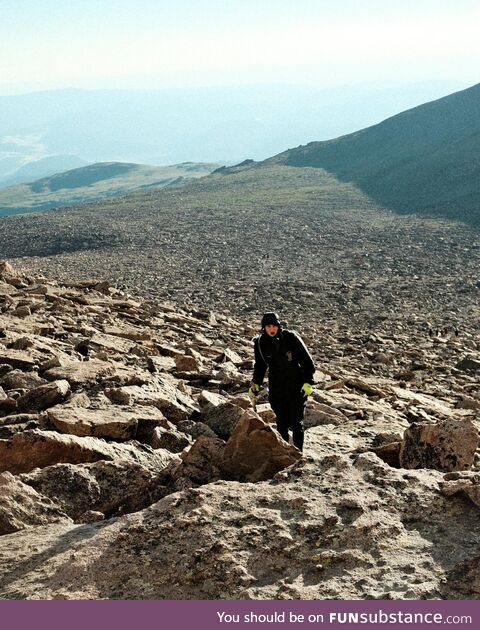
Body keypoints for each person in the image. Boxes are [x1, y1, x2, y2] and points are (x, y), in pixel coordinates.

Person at [248, 312, 315, 452]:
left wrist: (308, 382)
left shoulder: (291, 338)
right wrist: (255, 384)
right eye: (268, 326)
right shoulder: (261, 343)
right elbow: (260, 366)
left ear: (278, 326)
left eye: (274, 326)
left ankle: (299, 454)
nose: (271, 329)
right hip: (277, 388)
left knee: (297, 424)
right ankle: (285, 454)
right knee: (282, 423)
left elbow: (307, 362)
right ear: (264, 328)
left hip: (297, 386)